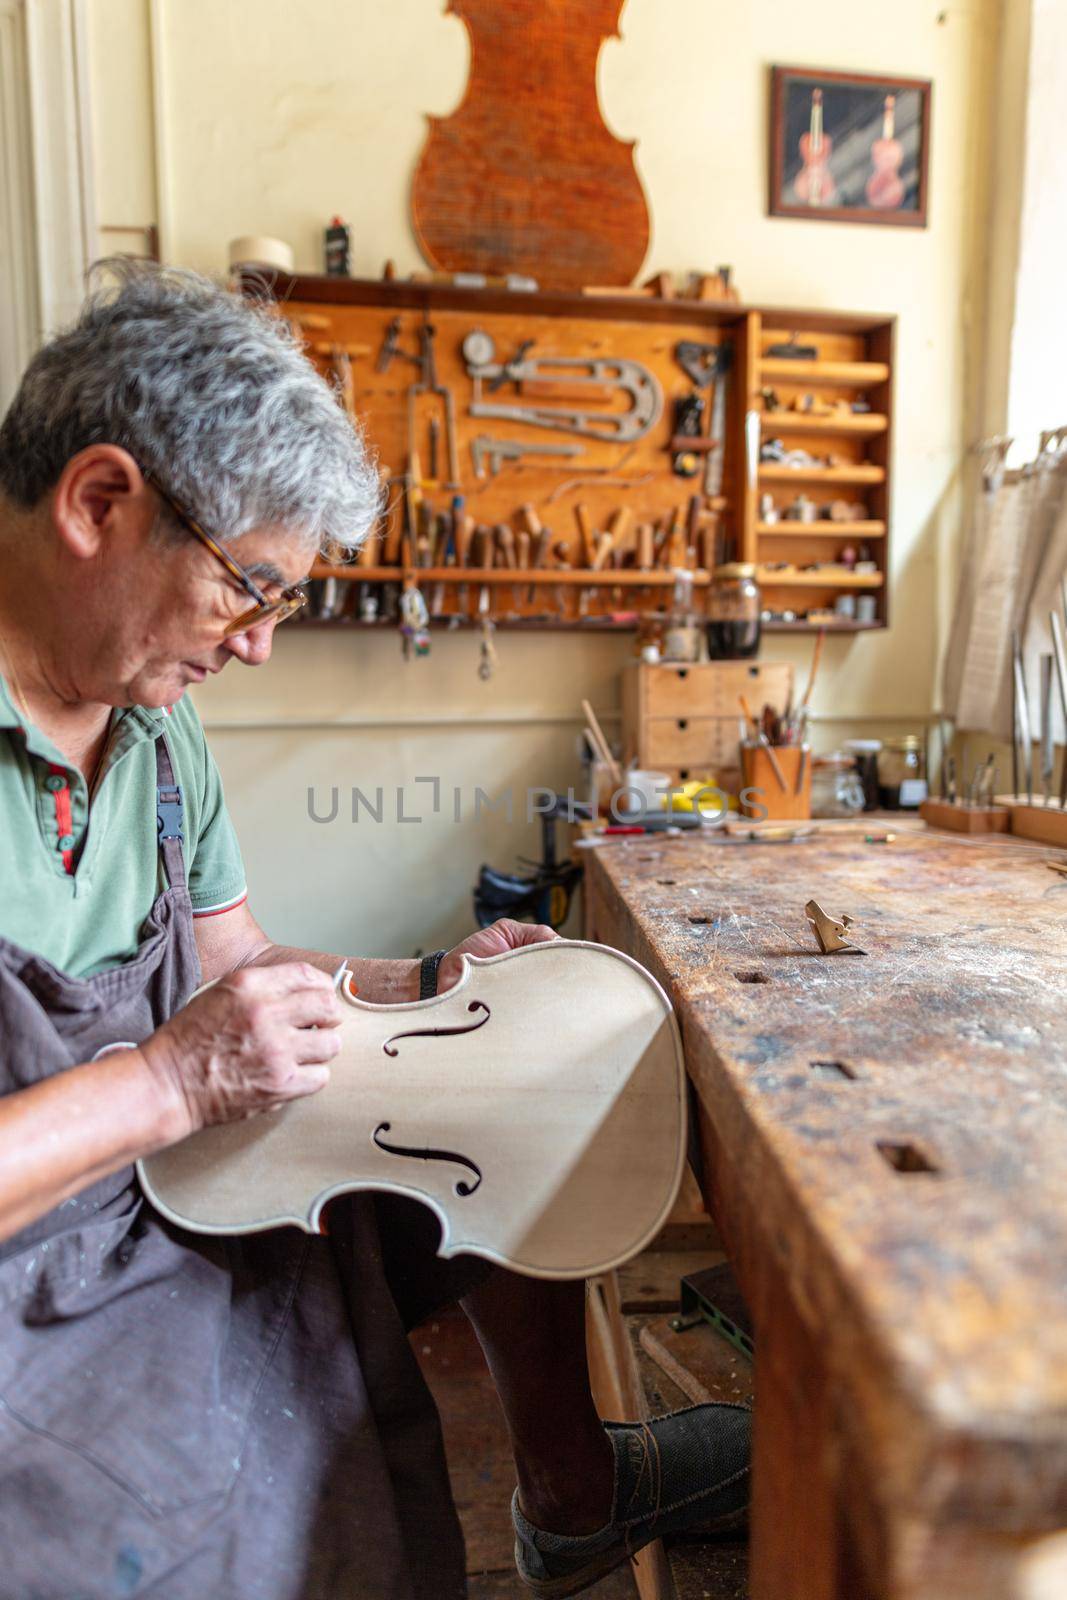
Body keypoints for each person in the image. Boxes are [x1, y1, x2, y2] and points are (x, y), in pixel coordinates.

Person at [0, 263, 750, 1600]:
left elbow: (229, 967)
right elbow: (184, 1054)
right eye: (251, 588)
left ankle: (576, 1495)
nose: (258, 648)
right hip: (32, 1277)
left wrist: (428, 989)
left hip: (169, 1178)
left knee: (516, 1103)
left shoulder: (155, 724)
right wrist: (172, 1080)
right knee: (235, 1517)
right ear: (98, 502)